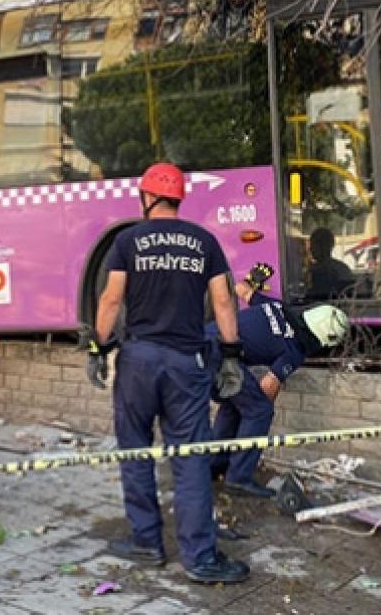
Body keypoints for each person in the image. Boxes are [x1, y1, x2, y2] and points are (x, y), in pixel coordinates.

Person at [87, 162, 250, 585]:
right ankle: (199, 558)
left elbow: (110, 300)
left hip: (137, 361)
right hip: (185, 364)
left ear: (147, 197)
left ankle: (147, 542)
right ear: (177, 197)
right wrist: (231, 355)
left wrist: (97, 347)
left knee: (135, 450)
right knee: (191, 458)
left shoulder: (127, 240)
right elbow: (224, 302)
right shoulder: (204, 241)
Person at [207, 262, 349, 497]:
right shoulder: (295, 348)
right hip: (221, 357)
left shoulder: (277, 307)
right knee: (259, 410)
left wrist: (253, 279)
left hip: (204, 343)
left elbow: (241, 289)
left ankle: (214, 465)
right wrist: (260, 411)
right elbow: (268, 385)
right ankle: (239, 478)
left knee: (236, 403)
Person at [307, 227, 355, 299]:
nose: (310, 249)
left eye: (313, 244)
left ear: (323, 246)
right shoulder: (343, 269)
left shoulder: (337, 271)